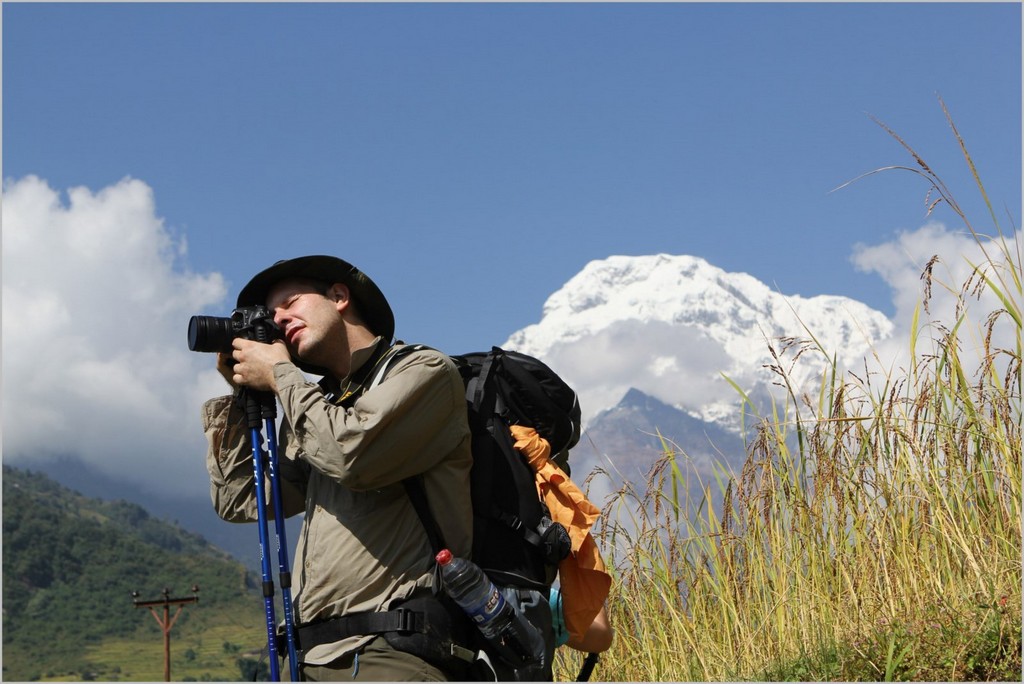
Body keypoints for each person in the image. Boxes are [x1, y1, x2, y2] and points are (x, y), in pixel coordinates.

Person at [201, 255, 475, 681]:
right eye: (271, 317)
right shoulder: (319, 407)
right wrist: (240, 398)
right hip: (310, 658)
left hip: (389, 652)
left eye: (290, 303)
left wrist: (278, 373)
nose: (279, 320)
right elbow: (244, 501)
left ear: (340, 296)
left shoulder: (426, 372)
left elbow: (353, 456)